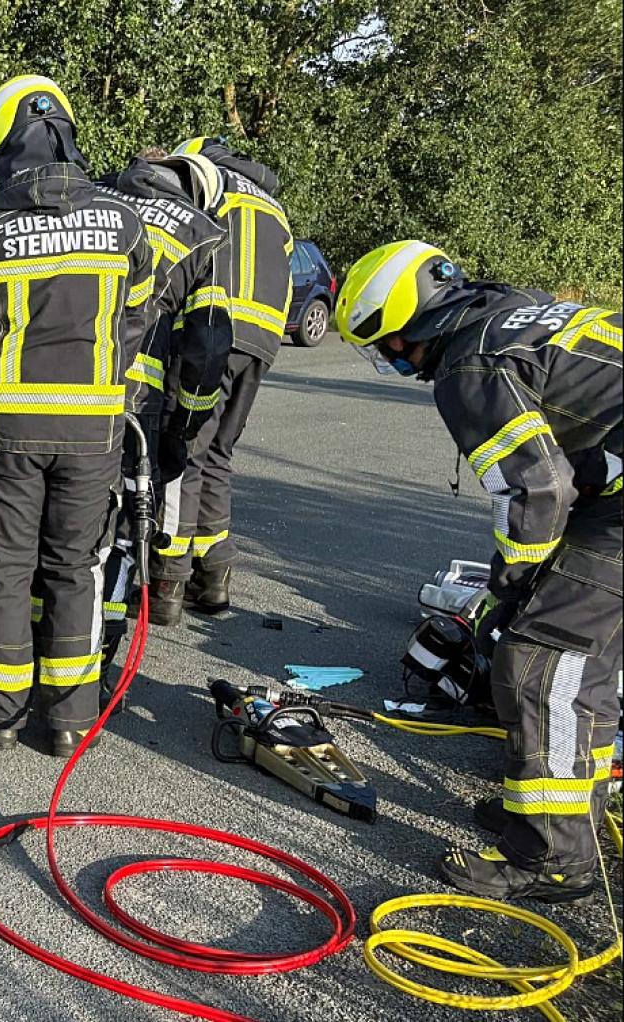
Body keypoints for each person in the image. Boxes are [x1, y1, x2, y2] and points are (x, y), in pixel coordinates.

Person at [338, 240, 621, 902]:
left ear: (411, 322)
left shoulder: (469, 368)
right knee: (586, 661)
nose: (395, 361)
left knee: (540, 660)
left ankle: (552, 856)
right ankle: (563, 813)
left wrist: (515, 577)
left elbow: (536, 488)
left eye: (388, 345)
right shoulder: (517, 311)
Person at [0, 74, 155, 755]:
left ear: (5, 147)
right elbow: (137, 329)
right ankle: (70, 722)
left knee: (1, 569)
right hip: (94, 437)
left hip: (3, 440)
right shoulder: (125, 224)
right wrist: (122, 405)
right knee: (76, 569)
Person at [93, 148, 233, 696]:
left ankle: (37, 648)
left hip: (52, 391)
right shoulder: (200, 235)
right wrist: (184, 431)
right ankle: (93, 673)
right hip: (133, 406)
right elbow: (205, 350)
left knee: (55, 525)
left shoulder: (91, 201)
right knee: (122, 537)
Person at [148, 137, 293, 624]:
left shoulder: (210, 184)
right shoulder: (274, 207)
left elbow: (185, 242)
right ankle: (215, 576)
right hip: (264, 342)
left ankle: (169, 579)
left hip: (214, 329)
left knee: (182, 448)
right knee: (218, 454)